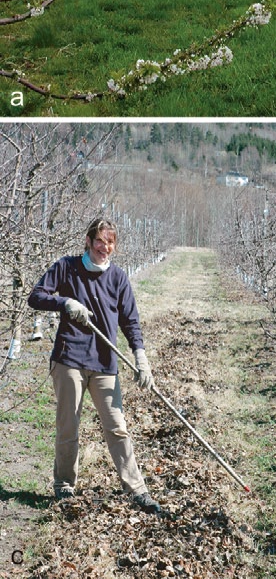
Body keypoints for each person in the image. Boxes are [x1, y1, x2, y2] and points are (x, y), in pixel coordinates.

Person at [27, 218, 162, 515]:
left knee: (117, 427)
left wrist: (140, 356)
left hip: (104, 362)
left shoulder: (118, 278)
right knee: (68, 426)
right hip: (69, 360)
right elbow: (35, 297)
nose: (105, 247)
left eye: (110, 242)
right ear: (88, 241)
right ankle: (64, 487)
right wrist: (65, 303)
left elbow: (130, 321)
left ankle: (138, 490)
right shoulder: (67, 267)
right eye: (100, 241)